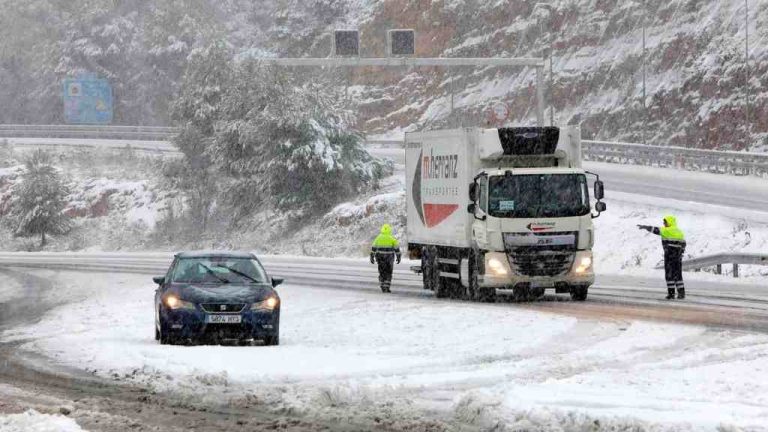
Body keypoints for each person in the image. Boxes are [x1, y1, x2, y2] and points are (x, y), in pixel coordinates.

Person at [638, 215, 686, 299]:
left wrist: (645, 227)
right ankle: (681, 293)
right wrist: (681, 254)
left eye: (665, 222)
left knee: (669, 275)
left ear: (669, 222)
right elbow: (684, 244)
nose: (664, 223)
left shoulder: (666, 230)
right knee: (678, 275)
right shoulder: (679, 232)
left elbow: (655, 230)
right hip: (677, 257)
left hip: (669, 256)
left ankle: (671, 294)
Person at [370, 224, 401, 293]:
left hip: (380, 258)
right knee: (388, 272)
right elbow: (397, 248)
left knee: (381, 272)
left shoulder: (378, 238)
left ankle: (382, 285)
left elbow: (373, 248)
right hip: (389, 258)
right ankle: (386, 286)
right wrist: (398, 257)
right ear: (389, 230)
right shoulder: (391, 238)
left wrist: (372, 256)